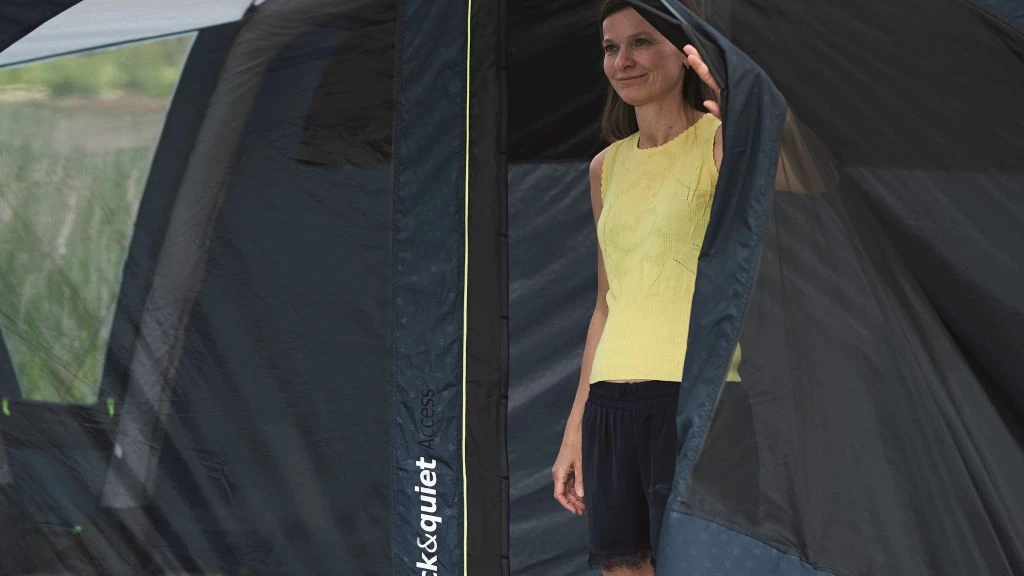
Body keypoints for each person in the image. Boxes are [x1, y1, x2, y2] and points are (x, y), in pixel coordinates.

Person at [550, 1, 742, 574]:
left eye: (641, 42)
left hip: (698, 395)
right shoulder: (605, 167)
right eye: (611, 48)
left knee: (700, 565)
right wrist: (575, 429)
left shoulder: (722, 141)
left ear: (684, 55)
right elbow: (607, 305)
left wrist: (743, 116)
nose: (623, 61)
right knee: (622, 569)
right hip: (611, 404)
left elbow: (813, 179)